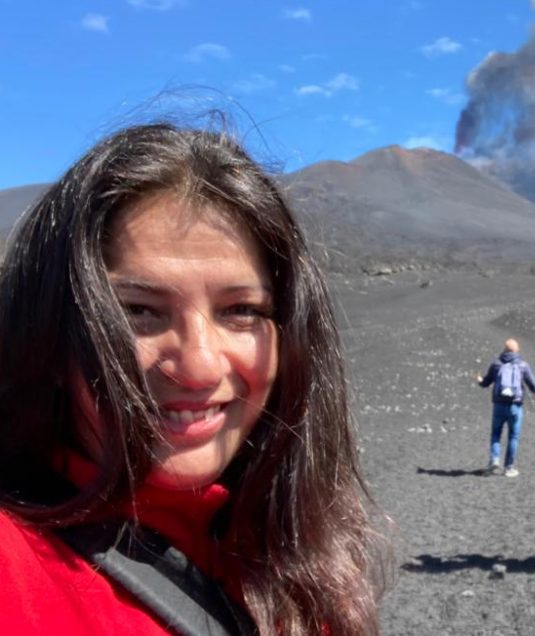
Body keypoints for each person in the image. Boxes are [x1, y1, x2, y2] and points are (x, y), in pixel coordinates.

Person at [0, 121, 385, 635]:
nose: (201, 366)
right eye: (138, 311)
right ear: (49, 331)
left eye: (241, 310)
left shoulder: (293, 550)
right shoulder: (15, 568)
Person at [475, 338, 535, 477]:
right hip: (515, 406)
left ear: (505, 349)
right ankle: (509, 468)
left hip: (499, 405)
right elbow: (532, 384)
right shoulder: (523, 365)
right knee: (513, 436)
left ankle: (494, 460)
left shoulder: (496, 364)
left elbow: (486, 382)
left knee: (496, 434)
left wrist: (479, 381)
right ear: (517, 350)